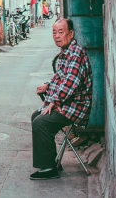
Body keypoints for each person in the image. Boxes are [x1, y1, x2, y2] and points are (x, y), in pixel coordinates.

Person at [30, 18, 93, 180]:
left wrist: (54, 102)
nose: (57, 36)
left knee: (41, 122)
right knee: (36, 116)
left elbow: (71, 83)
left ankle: (49, 168)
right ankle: (51, 160)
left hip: (75, 106)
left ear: (70, 34)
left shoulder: (75, 53)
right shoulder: (66, 52)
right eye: (54, 32)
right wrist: (47, 85)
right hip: (68, 103)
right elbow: (61, 77)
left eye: (61, 32)